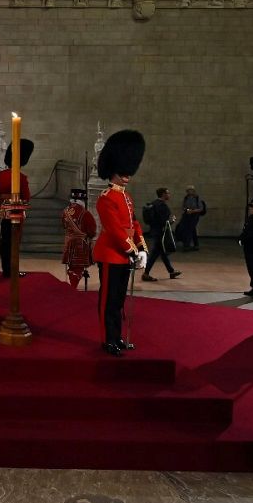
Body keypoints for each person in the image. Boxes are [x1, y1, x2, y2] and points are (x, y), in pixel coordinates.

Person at [93, 130, 147, 357]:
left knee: (119, 301)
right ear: (113, 171)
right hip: (110, 254)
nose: (126, 177)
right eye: (122, 172)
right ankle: (108, 340)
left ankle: (116, 337)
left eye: (128, 173)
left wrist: (142, 247)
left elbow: (133, 224)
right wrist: (132, 250)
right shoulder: (106, 198)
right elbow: (115, 230)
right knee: (109, 301)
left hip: (124, 255)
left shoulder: (126, 197)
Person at [0, 138, 32, 278]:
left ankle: (6, 269)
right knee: (14, 241)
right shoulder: (21, 177)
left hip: (3, 209)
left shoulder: (1, 175)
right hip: (15, 210)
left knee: (5, 241)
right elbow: (27, 197)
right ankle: (13, 270)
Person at [140, 187, 181, 282]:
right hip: (160, 232)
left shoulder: (154, 203)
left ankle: (171, 271)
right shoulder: (162, 205)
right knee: (155, 254)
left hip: (155, 231)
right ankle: (146, 274)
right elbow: (163, 221)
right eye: (168, 193)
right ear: (163, 194)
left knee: (162, 253)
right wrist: (172, 221)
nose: (169, 195)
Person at [60, 187, 96, 289]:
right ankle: (73, 288)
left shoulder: (65, 211)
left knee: (72, 266)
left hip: (68, 242)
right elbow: (91, 230)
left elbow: (63, 225)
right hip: (80, 243)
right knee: (78, 267)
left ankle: (72, 286)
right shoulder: (85, 213)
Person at [177, 186, 206, 251]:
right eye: (187, 190)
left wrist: (192, 211)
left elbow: (201, 209)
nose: (188, 192)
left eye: (189, 190)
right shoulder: (186, 197)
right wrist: (187, 210)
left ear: (193, 191)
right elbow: (183, 206)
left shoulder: (197, 198)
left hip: (195, 215)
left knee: (190, 229)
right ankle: (196, 245)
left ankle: (186, 245)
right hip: (187, 214)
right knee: (191, 229)